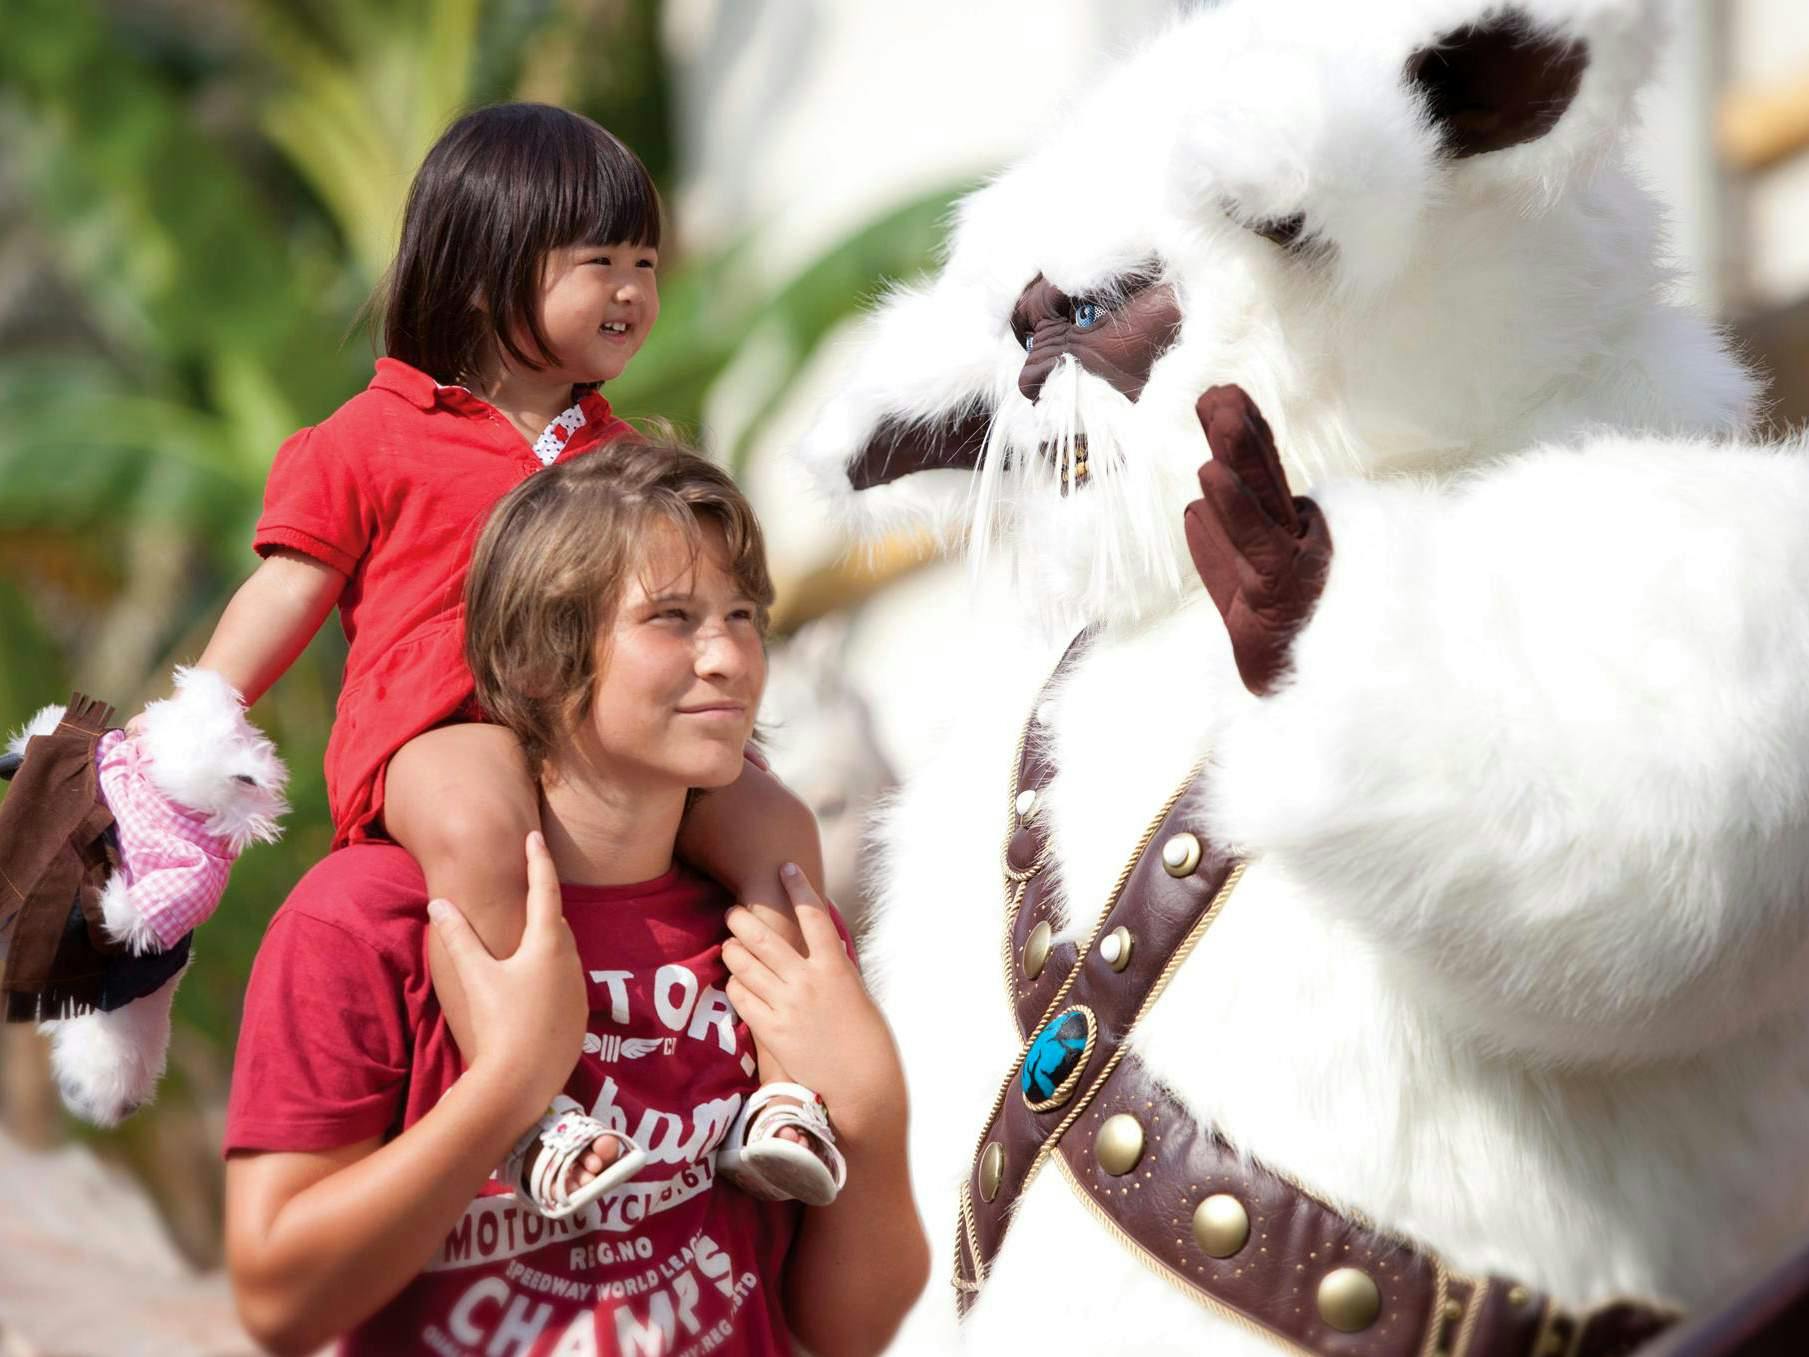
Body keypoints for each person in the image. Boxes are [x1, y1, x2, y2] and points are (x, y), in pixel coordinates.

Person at [149, 102, 840, 1207]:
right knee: (479, 817)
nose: (631, 290)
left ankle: (791, 1090)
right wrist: (193, 729)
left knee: (775, 825)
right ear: (483, 275)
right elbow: (287, 587)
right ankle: (531, 1114)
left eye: (647, 263)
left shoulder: (625, 457)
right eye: (598, 262)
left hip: (607, 739)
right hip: (439, 730)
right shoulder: (368, 439)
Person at [222, 442, 930, 1355]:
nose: (727, 656)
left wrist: (872, 1110)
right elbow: (281, 1301)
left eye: (742, 614)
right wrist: (510, 1086)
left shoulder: (768, 926)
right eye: (670, 618)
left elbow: (848, 1331)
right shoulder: (367, 923)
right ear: (538, 664)